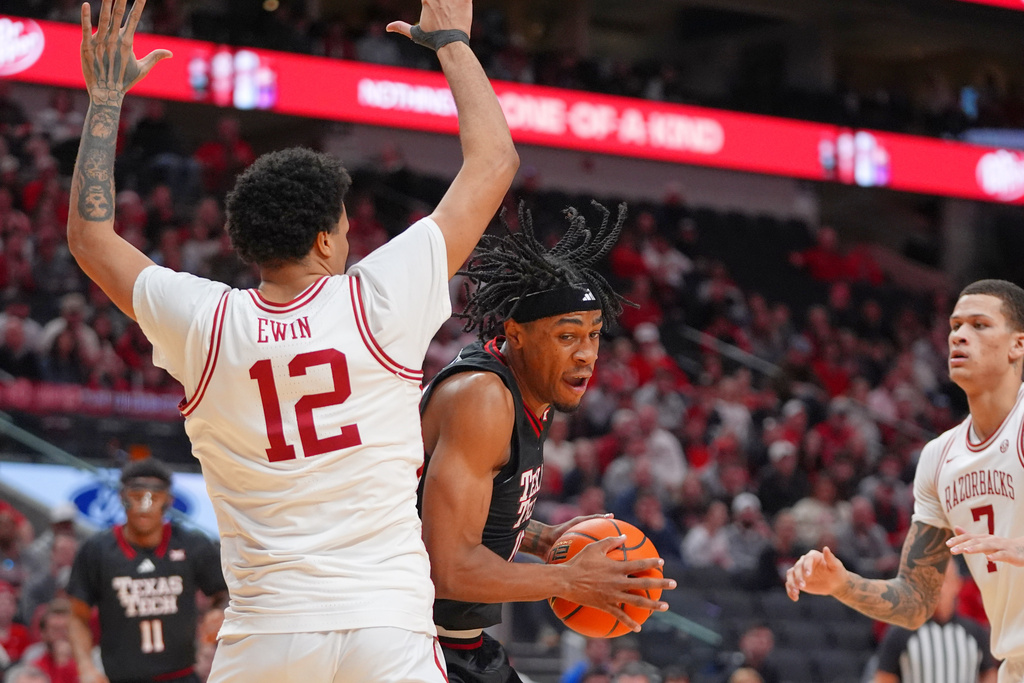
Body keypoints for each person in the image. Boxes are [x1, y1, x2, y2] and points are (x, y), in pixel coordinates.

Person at [66, 0, 517, 680]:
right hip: (384, 624)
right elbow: (493, 162)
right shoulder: (380, 298)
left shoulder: (204, 322)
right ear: (324, 239)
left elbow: (90, 236)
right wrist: (452, 43)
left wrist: (104, 100)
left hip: (270, 631)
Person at [418, 203, 674, 683]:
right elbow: (448, 567)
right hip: (412, 643)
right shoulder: (484, 398)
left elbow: (464, 510)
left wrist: (543, 538)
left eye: (594, 335)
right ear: (515, 334)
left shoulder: (535, 387)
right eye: (567, 336)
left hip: (457, 642)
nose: (586, 354)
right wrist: (569, 579)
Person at [786, 279, 1024, 683]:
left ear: (1018, 345)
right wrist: (843, 583)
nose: (960, 336)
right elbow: (916, 600)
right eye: (954, 326)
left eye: (979, 325)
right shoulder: (938, 457)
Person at [66, 459, 226, 683]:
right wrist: (85, 667)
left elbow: (224, 594)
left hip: (181, 676)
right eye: (137, 495)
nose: (146, 505)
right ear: (122, 497)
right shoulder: (97, 550)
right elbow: (77, 616)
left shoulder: (192, 544)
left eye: (154, 496)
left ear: (168, 501)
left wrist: (218, 611)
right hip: (121, 677)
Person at [873, 561, 997, 683]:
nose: (939, 587)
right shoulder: (900, 632)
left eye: (945, 579)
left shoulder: (975, 632)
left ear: (957, 584)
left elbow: (989, 674)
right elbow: (884, 677)